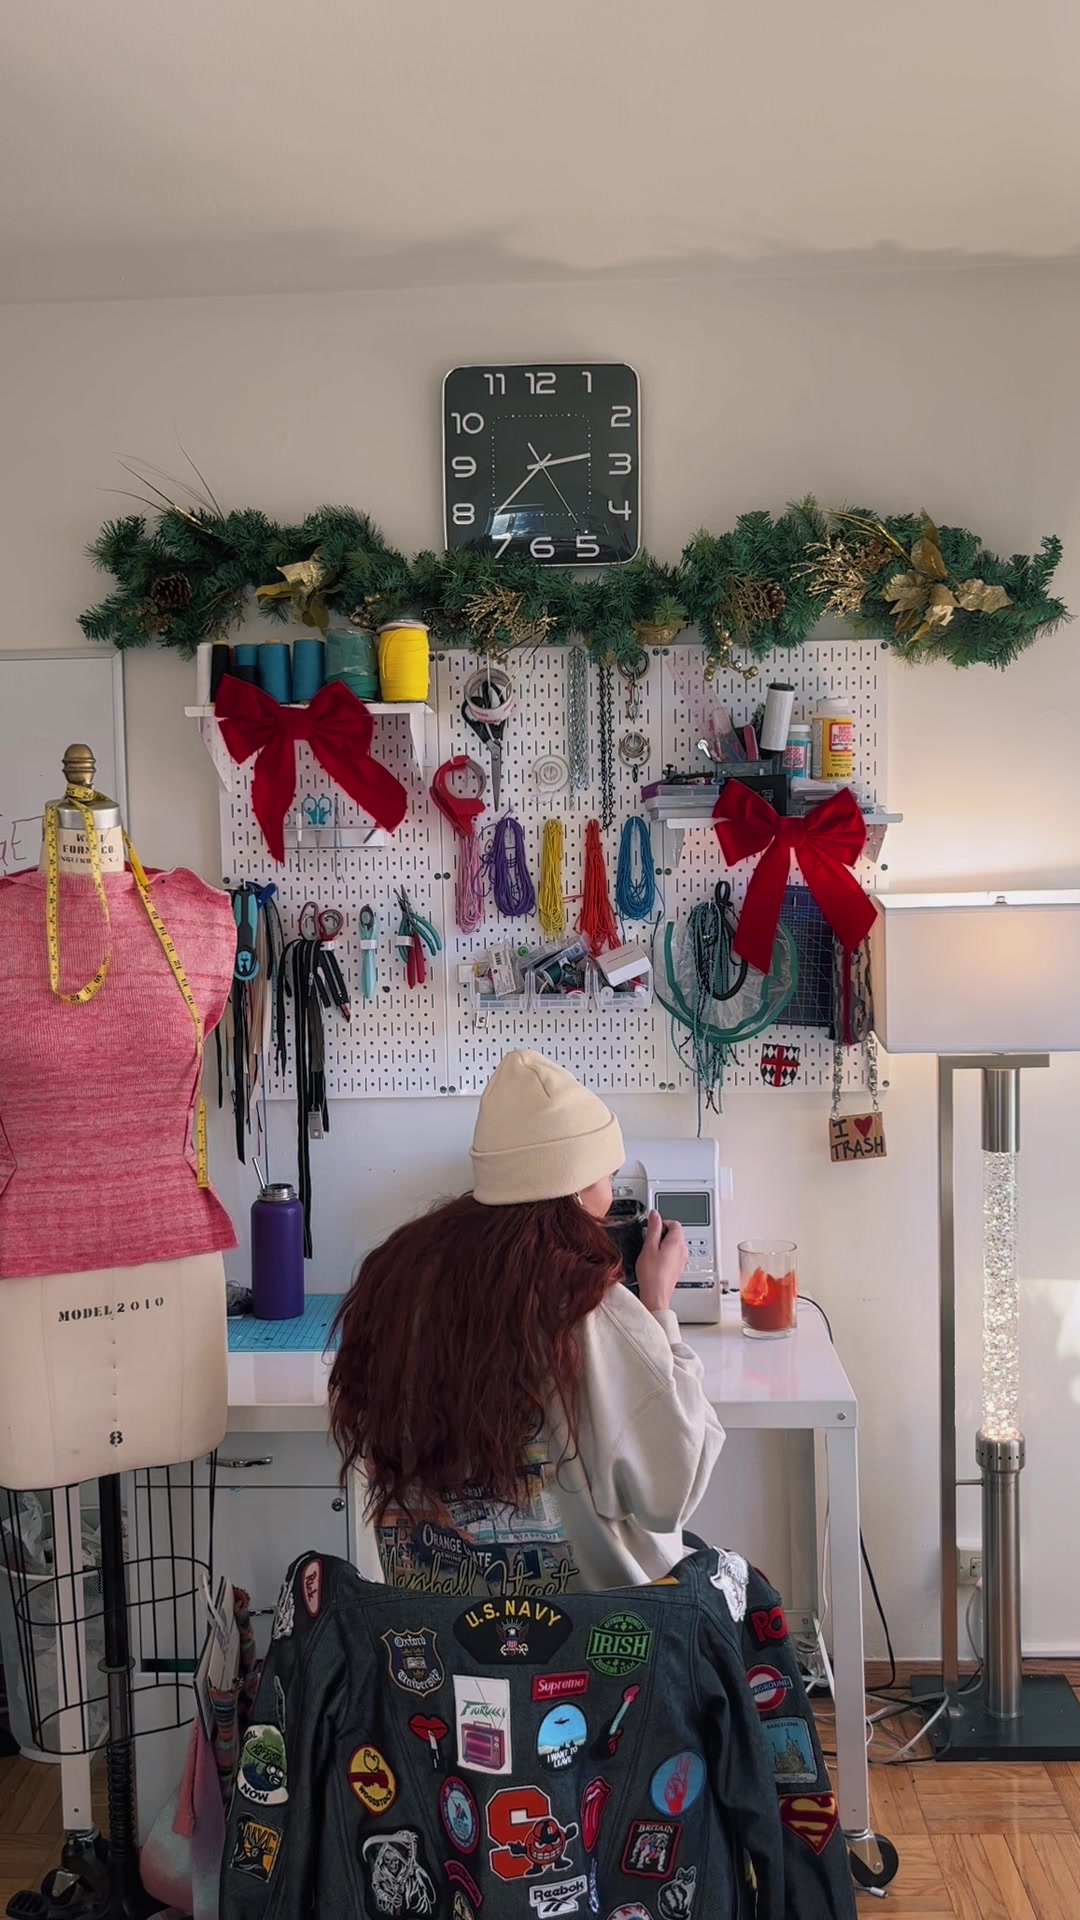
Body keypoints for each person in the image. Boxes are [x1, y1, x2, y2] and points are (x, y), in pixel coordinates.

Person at [329, 1049, 725, 1592]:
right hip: (594, 1632)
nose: (611, 1195)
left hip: (436, 1626)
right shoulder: (588, 1308)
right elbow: (672, 1487)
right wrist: (658, 1311)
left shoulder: (397, 1285)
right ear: (576, 1186)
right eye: (608, 1176)